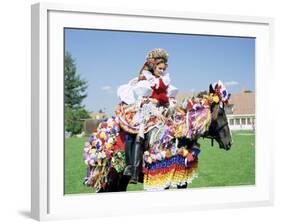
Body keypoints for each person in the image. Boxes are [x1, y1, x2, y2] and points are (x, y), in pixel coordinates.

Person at [116, 48, 178, 183]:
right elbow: (143, 100)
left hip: (163, 112)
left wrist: (171, 105)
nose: (161, 71)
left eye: (163, 69)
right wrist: (153, 106)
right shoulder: (145, 81)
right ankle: (133, 169)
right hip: (147, 111)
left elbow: (169, 98)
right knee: (139, 133)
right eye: (159, 68)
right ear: (154, 67)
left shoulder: (165, 82)